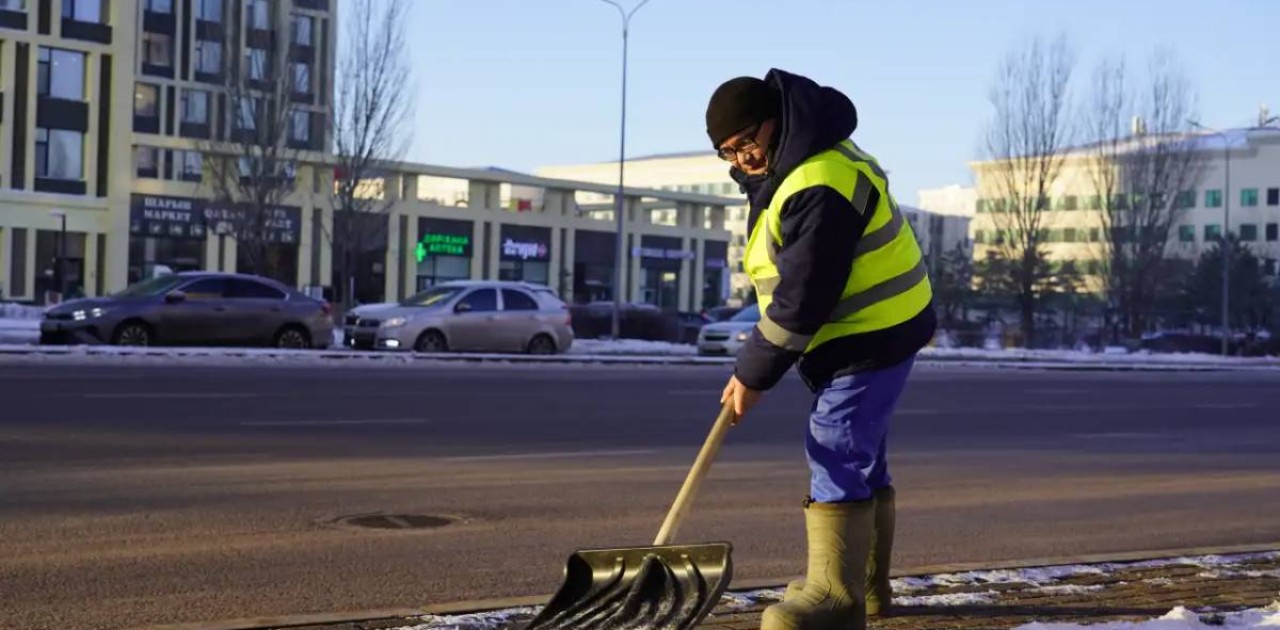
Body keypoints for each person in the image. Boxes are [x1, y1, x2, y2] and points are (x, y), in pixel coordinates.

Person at [708, 70, 937, 630]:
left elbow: (802, 298)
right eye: (726, 152)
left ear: (776, 124)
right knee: (863, 450)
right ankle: (864, 586)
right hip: (865, 328)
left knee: (834, 442)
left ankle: (837, 598)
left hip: (873, 330)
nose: (741, 159)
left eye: (746, 143)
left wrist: (754, 373)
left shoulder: (819, 182)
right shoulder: (795, 168)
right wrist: (755, 371)